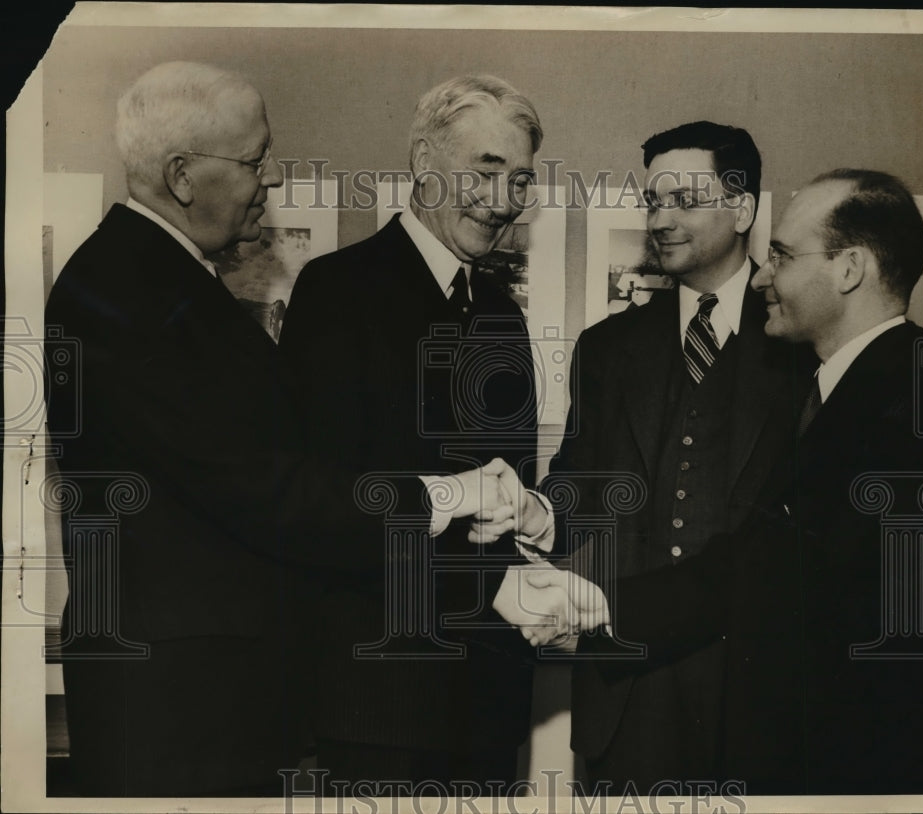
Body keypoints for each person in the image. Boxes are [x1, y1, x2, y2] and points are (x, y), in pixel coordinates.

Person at [43, 61, 511, 797]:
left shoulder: (150, 278)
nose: (270, 180)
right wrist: (448, 499)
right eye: (256, 160)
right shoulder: (127, 295)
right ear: (183, 175)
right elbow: (271, 489)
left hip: (202, 687)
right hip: (179, 702)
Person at [537, 169, 923, 794]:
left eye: (784, 257)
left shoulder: (915, 409)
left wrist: (597, 605)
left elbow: (779, 571)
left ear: (849, 269)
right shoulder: (857, 390)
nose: (764, 275)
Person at [486, 121, 809, 792]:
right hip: (627, 692)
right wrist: (538, 513)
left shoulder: (801, 342)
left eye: (683, 200)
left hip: (760, 694)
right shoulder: (608, 348)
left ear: (742, 207)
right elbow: (578, 484)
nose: (660, 219)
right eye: (652, 202)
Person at [279, 75, 573, 791]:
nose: (502, 200)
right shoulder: (337, 290)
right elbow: (319, 502)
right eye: (485, 168)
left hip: (489, 703)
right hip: (380, 701)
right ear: (421, 160)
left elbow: (507, 495)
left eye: (521, 179)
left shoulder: (501, 314)